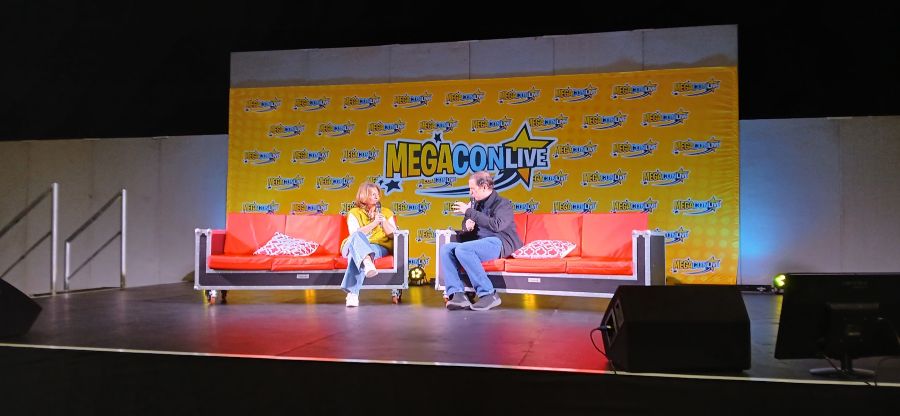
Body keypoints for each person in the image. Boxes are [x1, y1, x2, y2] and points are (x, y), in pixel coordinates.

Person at [440, 171, 523, 311]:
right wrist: (467, 225)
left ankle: (489, 294)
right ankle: (458, 295)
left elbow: (497, 225)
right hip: (479, 243)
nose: (470, 193)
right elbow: (467, 223)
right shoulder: (475, 205)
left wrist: (469, 212)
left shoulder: (503, 204)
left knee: (463, 249)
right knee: (446, 249)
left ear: (484, 186)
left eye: (473, 189)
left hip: (499, 242)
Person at [340, 183, 398, 307]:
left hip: (376, 247)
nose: (376, 197)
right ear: (363, 196)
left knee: (356, 256)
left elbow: (395, 235)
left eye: (377, 194)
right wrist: (374, 223)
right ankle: (367, 262)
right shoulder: (354, 212)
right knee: (357, 242)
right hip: (352, 245)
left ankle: (352, 294)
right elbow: (354, 235)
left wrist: (382, 221)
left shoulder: (386, 212)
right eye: (372, 194)